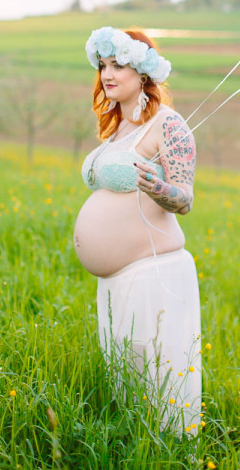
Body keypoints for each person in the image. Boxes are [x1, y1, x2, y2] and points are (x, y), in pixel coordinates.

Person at [74, 26, 201, 435]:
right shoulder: (119, 127)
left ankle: (171, 461)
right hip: (117, 277)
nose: (107, 74)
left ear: (143, 74)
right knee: (126, 378)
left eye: (119, 66)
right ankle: (133, 450)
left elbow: (184, 199)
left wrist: (159, 188)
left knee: (159, 379)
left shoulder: (170, 124)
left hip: (153, 272)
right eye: (103, 66)